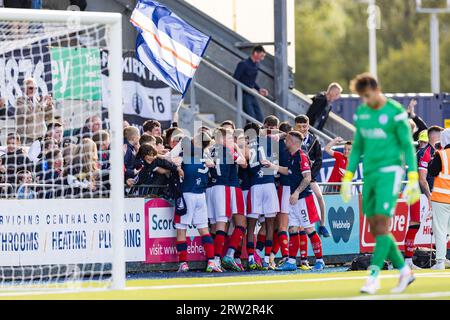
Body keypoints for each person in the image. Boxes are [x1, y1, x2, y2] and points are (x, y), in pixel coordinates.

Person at [341, 73, 420, 294]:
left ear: (377, 90)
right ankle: (405, 271)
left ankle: (373, 276)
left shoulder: (395, 112)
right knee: (376, 228)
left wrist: (412, 176)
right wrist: (348, 176)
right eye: (361, 97)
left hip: (390, 173)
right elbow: (357, 147)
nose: (365, 100)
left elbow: (407, 145)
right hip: (370, 175)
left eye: (367, 95)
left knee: (383, 225)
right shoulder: (363, 113)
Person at [263, 131, 325, 271]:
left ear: (292, 141)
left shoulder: (302, 156)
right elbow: (288, 171)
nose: (285, 142)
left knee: (309, 229)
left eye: (287, 139)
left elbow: (308, 177)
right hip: (295, 200)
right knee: (293, 229)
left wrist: (296, 192)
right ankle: (291, 261)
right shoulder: (293, 156)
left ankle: (320, 260)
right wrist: (272, 166)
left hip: (303, 199)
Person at [175, 133, 220, 273]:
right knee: (204, 230)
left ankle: (183, 263)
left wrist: (177, 167)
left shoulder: (188, 153)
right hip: (201, 195)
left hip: (188, 193)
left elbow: (172, 158)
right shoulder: (208, 157)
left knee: (181, 229)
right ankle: (211, 262)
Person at [207, 127, 247, 272]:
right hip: (227, 187)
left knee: (213, 226)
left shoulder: (208, 149)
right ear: (222, 139)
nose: (233, 141)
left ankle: (212, 260)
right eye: (230, 138)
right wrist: (236, 147)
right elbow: (244, 163)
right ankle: (224, 256)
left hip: (209, 188)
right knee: (238, 223)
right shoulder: (227, 150)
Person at [404, 125, 443, 269]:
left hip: (426, 193)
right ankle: (408, 261)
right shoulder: (425, 152)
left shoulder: (435, 151)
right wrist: (430, 196)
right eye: (439, 135)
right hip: (417, 192)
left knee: (438, 226)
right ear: (433, 137)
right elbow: (422, 179)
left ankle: (440, 258)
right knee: (415, 225)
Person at [245, 123, 279, 270]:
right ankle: (265, 259)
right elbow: (276, 166)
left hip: (255, 185)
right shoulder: (270, 142)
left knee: (251, 225)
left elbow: (245, 165)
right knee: (270, 224)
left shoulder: (246, 144)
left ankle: (251, 258)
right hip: (269, 183)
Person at [295, 115, 330, 238]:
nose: (302, 129)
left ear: (308, 126)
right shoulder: (291, 139)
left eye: (304, 126)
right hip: (295, 177)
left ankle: (322, 225)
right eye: (299, 126)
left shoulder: (314, 140)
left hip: (309, 176)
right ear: (295, 126)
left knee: (319, 196)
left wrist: (311, 177)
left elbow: (319, 160)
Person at [428, 129, 450, 270]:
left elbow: (432, 171)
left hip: (441, 199)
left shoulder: (441, 154)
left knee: (440, 231)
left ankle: (440, 262)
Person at [233, 45, 268, 123]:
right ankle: (249, 134)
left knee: (259, 117)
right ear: (255, 53)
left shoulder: (256, 65)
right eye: (261, 56)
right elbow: (235, 78)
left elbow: (251, 81)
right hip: (243, 94)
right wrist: (247, 87)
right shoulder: (243, 64)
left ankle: (255, 134)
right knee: (251, 117)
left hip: (251, 94)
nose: (262, 58)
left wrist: (259, 89)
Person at [15, 77, 53, 144]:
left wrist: (50, 106)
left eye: (35, 88)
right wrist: (41, 104)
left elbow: (48, 117)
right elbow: (29, 117)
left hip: (41, 136)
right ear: (24, 89)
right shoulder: (20, 101)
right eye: (30, 88)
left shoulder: (38, 100)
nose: (33, 90)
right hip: (27, 138)